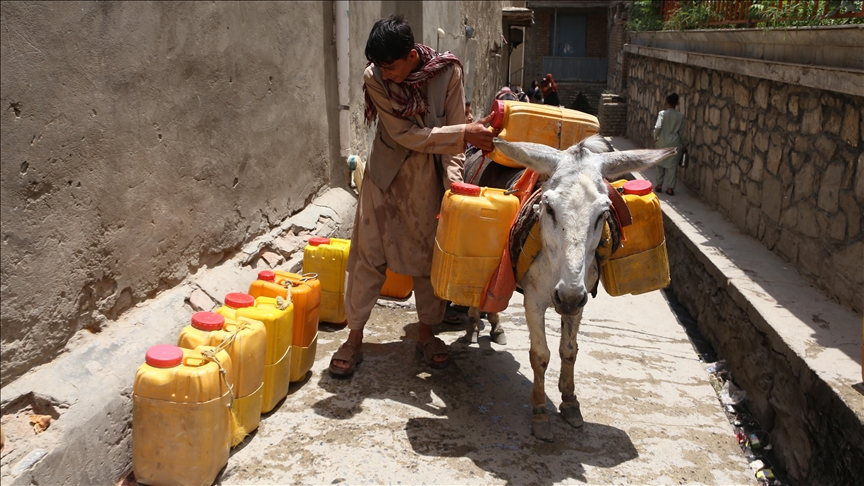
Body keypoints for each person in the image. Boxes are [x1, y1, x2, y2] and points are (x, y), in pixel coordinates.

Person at [329, 14, 497, 377]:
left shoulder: (448, 73)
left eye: (391, 66)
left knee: (427, 263)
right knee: (367, 257)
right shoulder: (374, 78)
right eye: (380, 67)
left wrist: (454, 189)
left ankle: (426, 335)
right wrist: (463, 133)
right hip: (384, 178)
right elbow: (405, 134)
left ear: (410, 55)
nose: (386, 74)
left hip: (427, 182)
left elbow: (454, 145)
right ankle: (353, 338)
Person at [652, 92, 687, 196]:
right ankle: (670, 188)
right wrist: (684, 145)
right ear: (678, 103)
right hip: (674, 144)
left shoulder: (662, 114)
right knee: (672, 167)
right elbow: (682, 133)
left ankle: (659, 185)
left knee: (660, 164)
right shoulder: (680, 116)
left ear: (666, 102)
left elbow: (657, 127)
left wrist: (655, 138)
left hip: (661, 142)